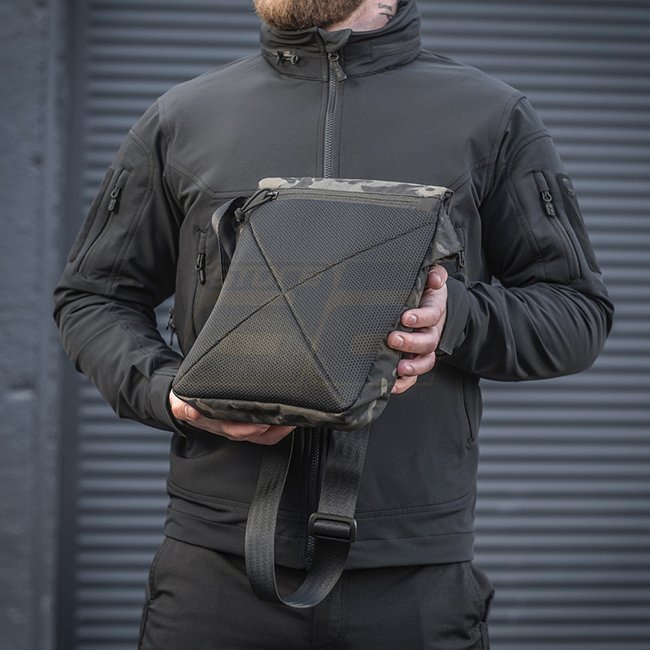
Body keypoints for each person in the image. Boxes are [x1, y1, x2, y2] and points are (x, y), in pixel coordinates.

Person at [53, 0, 613, 647]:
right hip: (215, 572)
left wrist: (455, 318)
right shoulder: (182, 118)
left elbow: (576, 312)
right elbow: (93, 298)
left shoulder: (492, 117)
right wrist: (169, 394)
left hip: (412, 578)